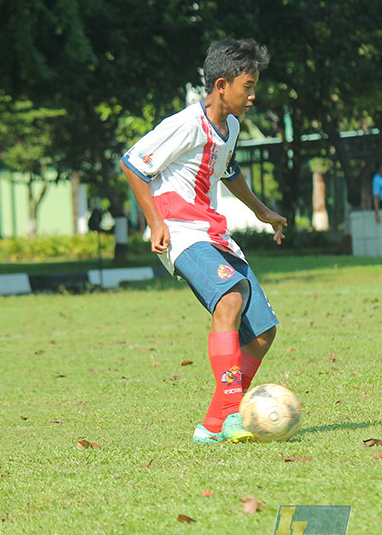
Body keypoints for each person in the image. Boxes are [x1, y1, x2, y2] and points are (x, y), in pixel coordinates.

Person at [121, 38, 287, 444]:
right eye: (247, 87)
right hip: (180, 232)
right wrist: (155, 222)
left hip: (214, 233)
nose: (253, 96)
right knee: (229, 298)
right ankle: (233, 413)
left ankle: (212, 426)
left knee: (263, 332)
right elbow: (134, 164)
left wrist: (262, 211)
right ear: (220, 85)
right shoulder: (185, 124)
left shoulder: (228, 127)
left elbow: (228, 171)